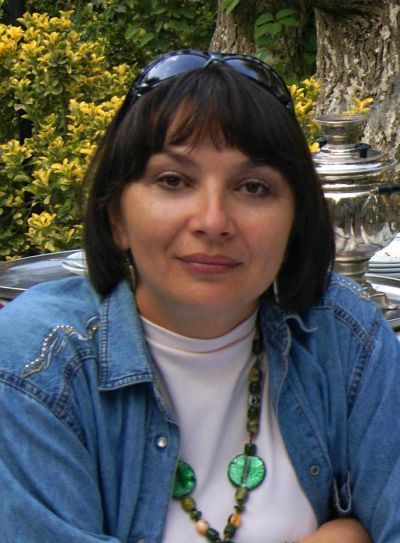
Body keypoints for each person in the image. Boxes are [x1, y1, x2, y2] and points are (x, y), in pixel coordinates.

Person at [0, 49, 399, 543]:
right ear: (116, 216)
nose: (213, 221)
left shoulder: (345, 335)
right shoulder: (35, 365)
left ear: (296, 221)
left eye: (253, 188)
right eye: (174, 181)